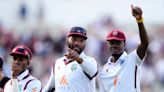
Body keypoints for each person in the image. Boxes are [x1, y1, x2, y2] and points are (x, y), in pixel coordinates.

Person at [98, 5, 149, 92]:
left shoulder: (133, 59)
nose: (114, 45)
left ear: (124, 44)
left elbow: (145, 43)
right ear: (107, 45)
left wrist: (139, 20)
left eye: (118, 42)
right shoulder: (102, 71)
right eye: (111, 43)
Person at [42, 27, 98, 92]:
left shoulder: (90, 61)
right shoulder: (58, 63)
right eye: (74, 39)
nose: (77, 43)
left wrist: (78, 58)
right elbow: (49, 88)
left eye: (81, 41)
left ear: (85, 43)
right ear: (67, 40)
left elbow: (93, 71)